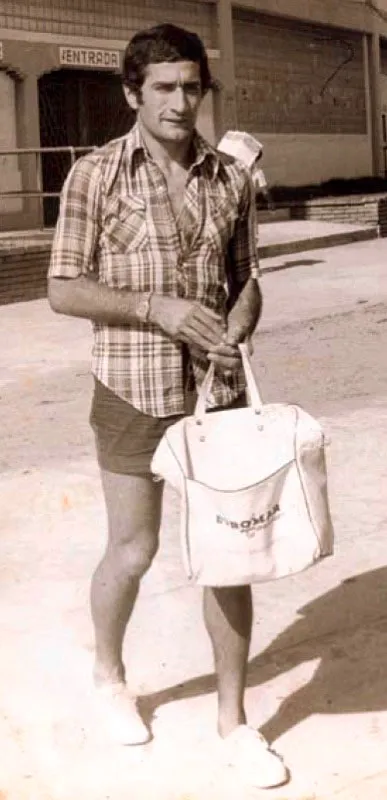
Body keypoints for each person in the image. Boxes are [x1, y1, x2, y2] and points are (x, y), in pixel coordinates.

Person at [47, 23, 288, 789]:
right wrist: (159, 309)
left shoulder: (229, 178)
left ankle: (233, 722)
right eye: (163, 88)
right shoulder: (94, 175)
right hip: (129, 388)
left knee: (229, 554)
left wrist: (238, 325)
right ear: (132, 93)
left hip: (216, 396)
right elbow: (62, 288)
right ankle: (110, 679)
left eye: (191, 87)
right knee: (133, 550)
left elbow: (247, 276)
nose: (180, 102)